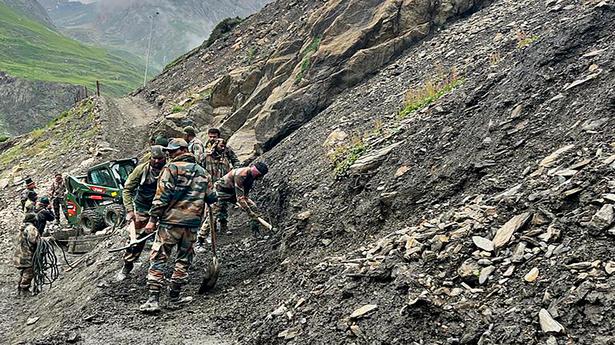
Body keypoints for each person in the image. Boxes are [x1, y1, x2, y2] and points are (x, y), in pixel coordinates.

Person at [139, 138, 215, 313]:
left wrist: (152, 220)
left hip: (170, 223)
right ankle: (174, 297)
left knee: (159, 257)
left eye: (172, 151)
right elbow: (212, 198)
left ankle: (153, 299)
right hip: (192, 224)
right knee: (183, 260)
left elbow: (161, 197)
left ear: (182, 150)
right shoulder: (203, 172)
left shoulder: (171, 169)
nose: (169, 154)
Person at [116, 145, 166, 281]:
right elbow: (127, 190)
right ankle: (127, 265)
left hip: (163, 210)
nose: (156, 161)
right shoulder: (141, 170)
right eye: (154, 158)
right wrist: (130, 210)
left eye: (160, 158)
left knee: (164, 241)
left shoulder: (170, 169)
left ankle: (158, 271)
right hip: (143, 209)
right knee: (136, 241)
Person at [196, 138, 236, 247]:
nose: (223, 148)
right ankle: (207, 234)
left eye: (224, 147)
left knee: (222, 207)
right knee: (208, 211)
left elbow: (230, 169)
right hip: (207, 187)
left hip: (221, 188)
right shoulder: (205, 157)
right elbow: (197, 169)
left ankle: (223, 227)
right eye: (221, 146)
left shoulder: (225, 159)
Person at [214, 162, 269, 237]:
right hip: (221, 190)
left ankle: (255, 232)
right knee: (215, 212)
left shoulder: (251, 177)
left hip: (232, 191)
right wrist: (248, 211)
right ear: (257, 173)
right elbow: (240, 198)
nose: (260, 178)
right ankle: (201, 239)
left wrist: (250, 208)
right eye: (260, 176)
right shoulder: (241, 175)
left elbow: (245, 195)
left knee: (253, 207)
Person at [14, 213, 40, 295]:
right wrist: (46, 240)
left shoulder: (23, 228)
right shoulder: (31, 228)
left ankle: (19, 287)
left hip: (20, 253)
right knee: (29, 271)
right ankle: (24, 288)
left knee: (24, 271)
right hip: (27, 254)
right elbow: (34, 240)